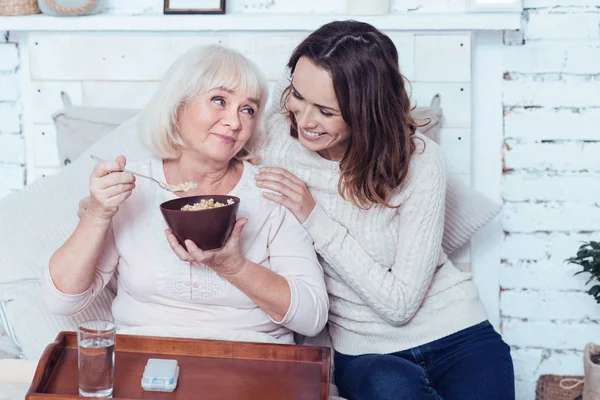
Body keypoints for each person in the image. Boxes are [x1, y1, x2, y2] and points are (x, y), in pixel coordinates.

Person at [255, 20, 515, 399]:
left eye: (326, 111)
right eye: (298, 96)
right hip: (366, 352)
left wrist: (313, 216)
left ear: (365, 110)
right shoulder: (278, 139)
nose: (304, 120)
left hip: (458, 333)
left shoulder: (420, 161)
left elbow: (400, 304)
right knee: (388, 386)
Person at [43, 44, 329, 344]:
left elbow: (312, 317)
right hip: (143, 357)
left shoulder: (271, 191)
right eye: (219, 100)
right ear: (178, 105)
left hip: (250, 358)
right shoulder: (131, 186)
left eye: (248, 110)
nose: (234, 123)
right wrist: (97, 215)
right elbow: (61, 302)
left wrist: (234, 267)